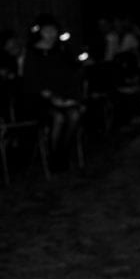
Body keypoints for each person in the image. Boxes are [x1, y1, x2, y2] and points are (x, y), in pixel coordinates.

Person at [20, 14, 85, 171]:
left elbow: (71, 74)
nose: (51, 34)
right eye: (47, 31)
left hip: (62, 96)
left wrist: (71, 97)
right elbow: (30, 81)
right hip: (40, 100)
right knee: (58, 118)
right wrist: (49, 96)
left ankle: (63, 154)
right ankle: (53, 157)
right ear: (40, 32)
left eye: (53, 30)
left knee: (74, 115)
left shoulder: (61, 51)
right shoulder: (32, 52)